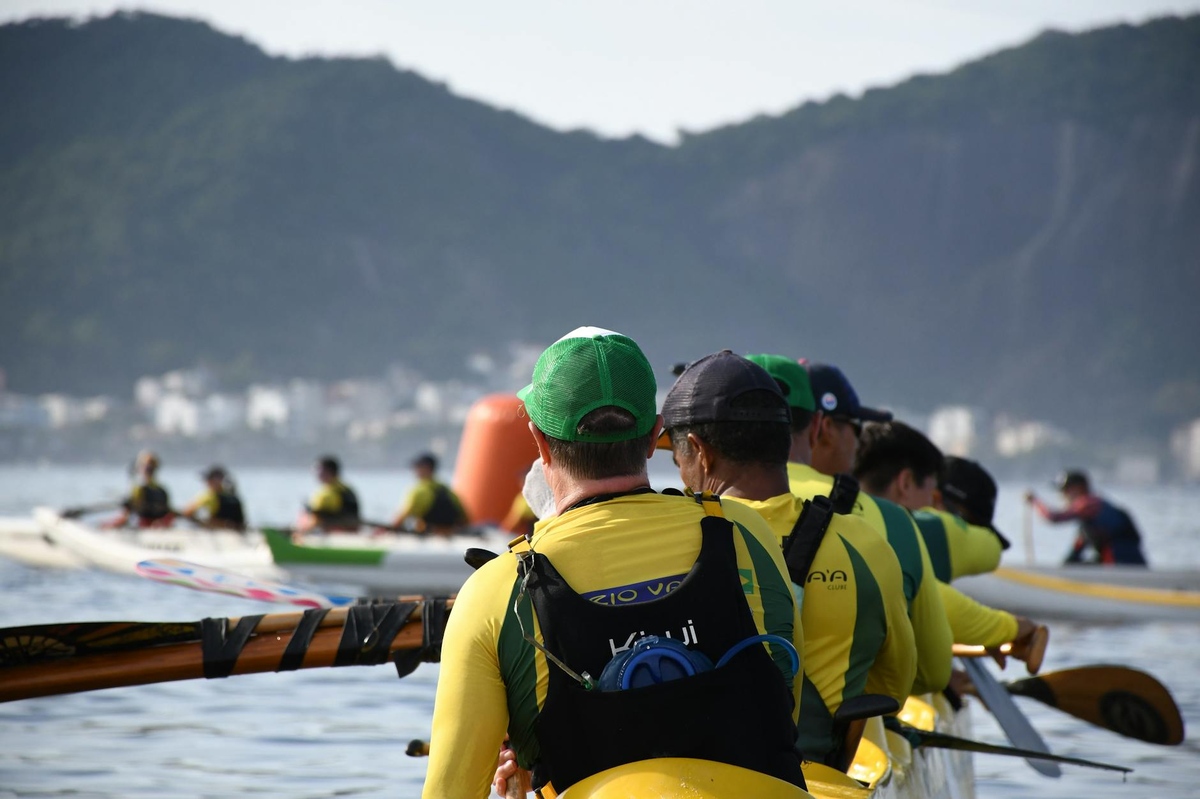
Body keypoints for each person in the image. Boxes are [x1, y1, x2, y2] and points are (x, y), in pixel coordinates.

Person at [424, 327, 807, 798]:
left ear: (539, 444)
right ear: (653, 436)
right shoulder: (747, 532)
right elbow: (784, 709)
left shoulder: (496, 590)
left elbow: (450, 793)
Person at [659, 350, 915, 766]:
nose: (682, 475)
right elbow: (893, 686)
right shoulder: (866, 547)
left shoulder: (666, 541)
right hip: (819, 779)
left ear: (700, 453)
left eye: (677, 459)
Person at [776, 359, 953, 696]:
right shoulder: (891, 520)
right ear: (821, 427)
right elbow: (932, 672)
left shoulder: (701, 506)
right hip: (833, 736)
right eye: (857, 427)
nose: (861, 441)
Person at [853, 420, 1046, 665]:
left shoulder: (823, 503)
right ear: (908, 484)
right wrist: (1007, 628)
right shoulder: (919, 528)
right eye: (965, 521)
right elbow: (988, 551)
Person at [1026, 470, 1147, 566]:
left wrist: (1035, 501)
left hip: (1124, 564)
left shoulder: (1089, 504)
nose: (1062, 496)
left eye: (1064, 491)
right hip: (1112, 563)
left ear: (1078, 488)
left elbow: (1053, 517)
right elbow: (1074, 555)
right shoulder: (1086, 524)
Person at [390, 452, 469, 537]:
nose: (415, 470)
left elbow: (401, 518)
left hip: (429, 536)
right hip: (451, 535)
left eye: (417, 467)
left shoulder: (419, 491)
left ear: (426, 468)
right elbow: (465, 520)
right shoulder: (447, 490)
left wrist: (387, 531)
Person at [102, 450, 173, 528]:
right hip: (157, 528)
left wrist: (107, 526)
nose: (147, 469)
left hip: (144, 528)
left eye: (148, 468)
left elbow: (125, 516)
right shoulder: (163, 490)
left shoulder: (139, 489)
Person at [295, 455, 360, 533]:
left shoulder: (330, 492)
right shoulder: (344, 487)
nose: (316, 473)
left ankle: (299, 535)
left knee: (306, 513)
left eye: (318, 470)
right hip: (347, 527)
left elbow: (317, 514)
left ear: (329, 472)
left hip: (338, 529)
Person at [179, 466, 247, 531]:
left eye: (208, 480)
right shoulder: (234, 497)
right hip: (236, 529)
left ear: (212, 481)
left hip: (219, 529)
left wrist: (198, 520)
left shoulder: (210, 496)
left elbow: (187, 512)